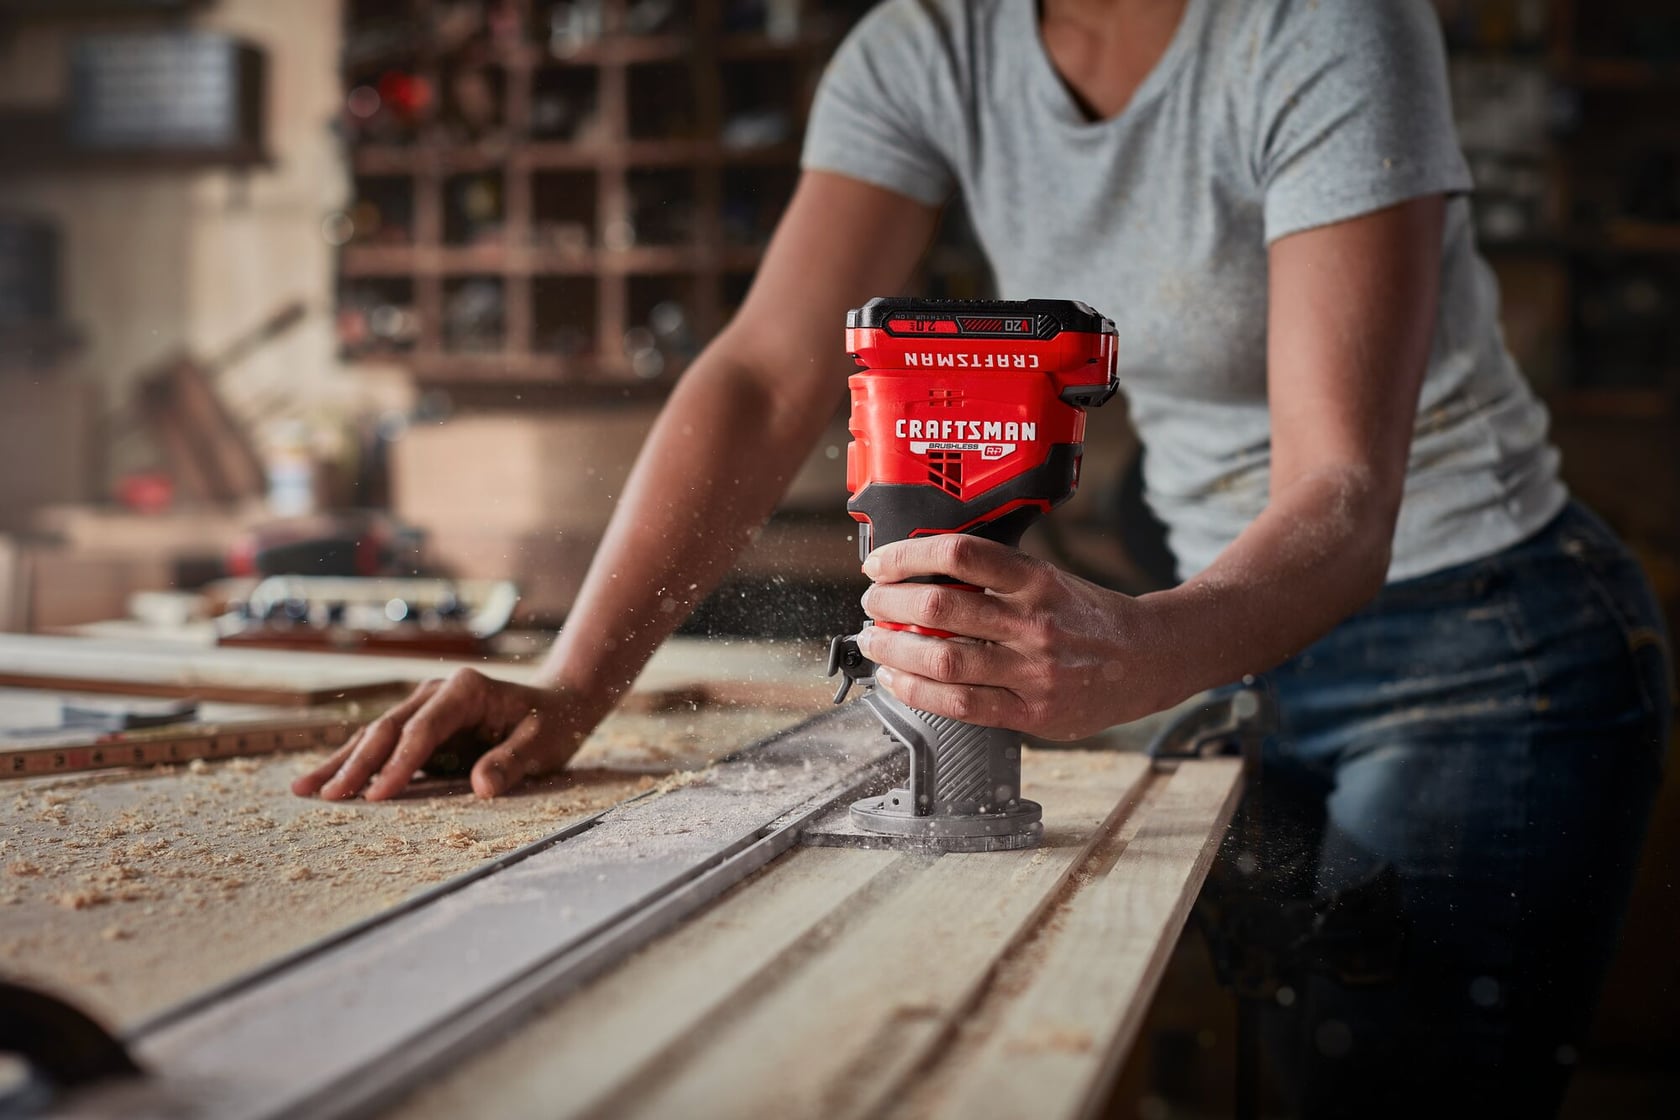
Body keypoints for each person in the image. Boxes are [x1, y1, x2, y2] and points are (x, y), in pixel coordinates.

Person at [295, 0, 1671, 1113]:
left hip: (1473, 642)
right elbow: (770, 374)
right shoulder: (928, 46)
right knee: (1277, 1059)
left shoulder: (1321, 25)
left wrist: (1133, 649)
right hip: (1225, 625)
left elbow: (1347, 494)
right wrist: (574, 682)